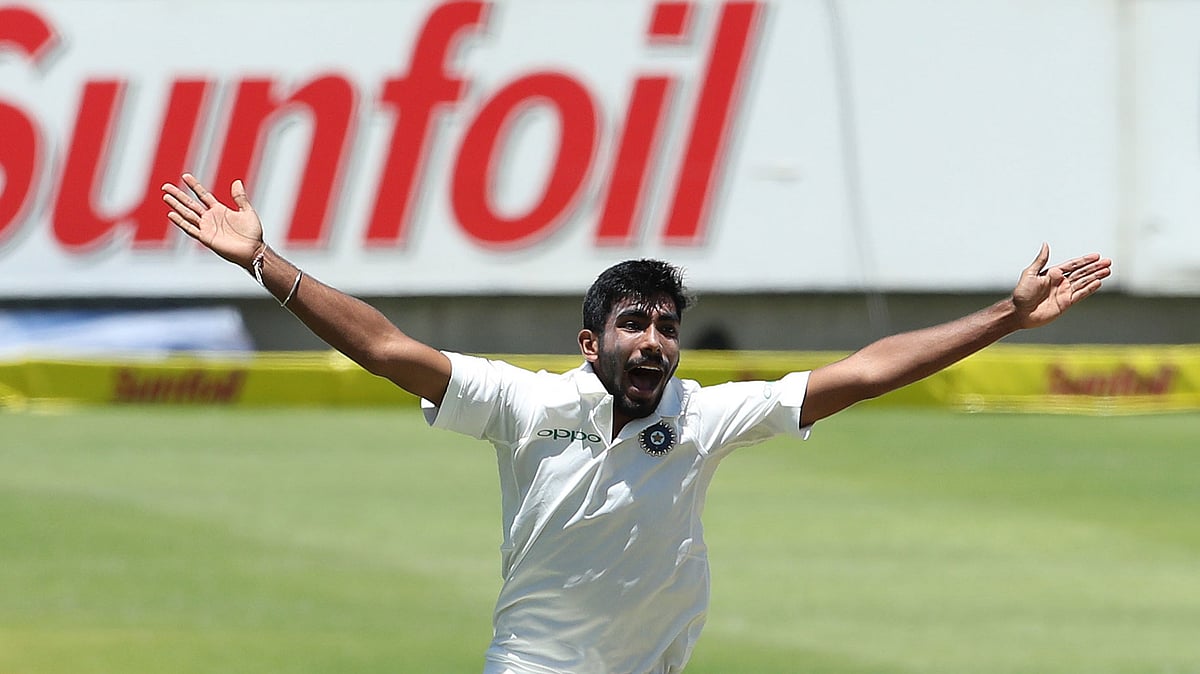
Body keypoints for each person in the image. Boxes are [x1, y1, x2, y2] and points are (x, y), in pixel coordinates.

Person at [162, 173, 1111, 674]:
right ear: (590, 341)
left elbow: (859, 373)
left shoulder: (702, 416)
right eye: (634, 323)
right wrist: (265, 263)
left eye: (667, 326)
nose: (655, 340)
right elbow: (386, 346)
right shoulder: (526, 404)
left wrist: (1002, 317)